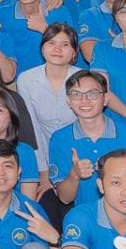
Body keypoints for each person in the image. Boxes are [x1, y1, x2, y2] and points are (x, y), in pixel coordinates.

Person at [45, 69, 126, 214]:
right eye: (76, 95)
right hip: (85, 219)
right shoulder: (60, 139)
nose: (84, 100)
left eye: (92, 94)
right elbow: (64, 198)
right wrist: (74, 174)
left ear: (106, 99)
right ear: (68, 101)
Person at [15, 22, 81, 153]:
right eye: (51, 43)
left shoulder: (85, 80)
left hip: (80, 149)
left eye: (65, 44)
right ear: (42, 49)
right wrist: (42, 167)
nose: (57, 49)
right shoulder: (26, 80)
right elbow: (31, 126)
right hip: (42, 149)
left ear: (74, 52)